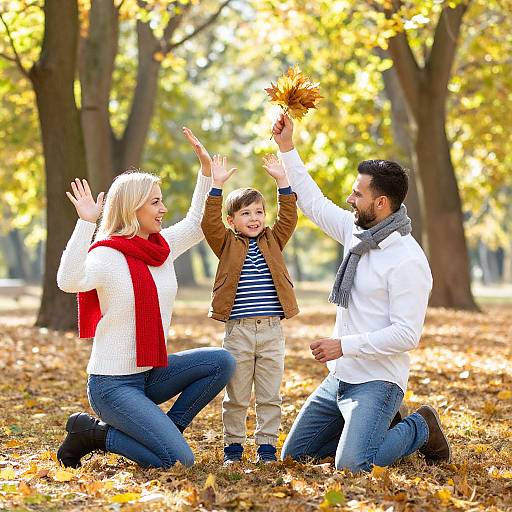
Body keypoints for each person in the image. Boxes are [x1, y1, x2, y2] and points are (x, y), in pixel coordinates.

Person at [271, 113, 451, 472]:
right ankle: (363, 429)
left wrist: (344, 345)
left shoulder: (407, 260)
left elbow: (406, 335)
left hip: (378, 381)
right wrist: (287, 147)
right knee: (292, 458)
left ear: (381, 204)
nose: (350, 198)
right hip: (340, 376)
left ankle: (419, 425)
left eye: (358, 193)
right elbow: (313, 203)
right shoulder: (357, 234)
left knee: (353, 466)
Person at [55, 127, 235, 469]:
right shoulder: (106, 255)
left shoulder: (160, 248)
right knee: (179, 461)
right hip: (112, 385)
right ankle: (93, 434)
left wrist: (207, 174)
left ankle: (168, 430)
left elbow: (198, 223)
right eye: (155, 202)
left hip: (150, 374)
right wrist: (85, 223)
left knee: (221, 361)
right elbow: (68, 280)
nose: (164, 208)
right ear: (133, 207)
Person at [198, 145, 299, 464]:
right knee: (237, 396)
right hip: (238, 332)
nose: (254, 218)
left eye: (258, 212)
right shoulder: (226, 242)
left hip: (271, 331)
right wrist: (216, 186)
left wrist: (284, 183)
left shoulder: (274, 240)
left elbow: (290, 217)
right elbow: (209, 224)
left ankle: (267, 449)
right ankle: (234, 449)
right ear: (232, 220)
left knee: (270, 395)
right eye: (245, 213)